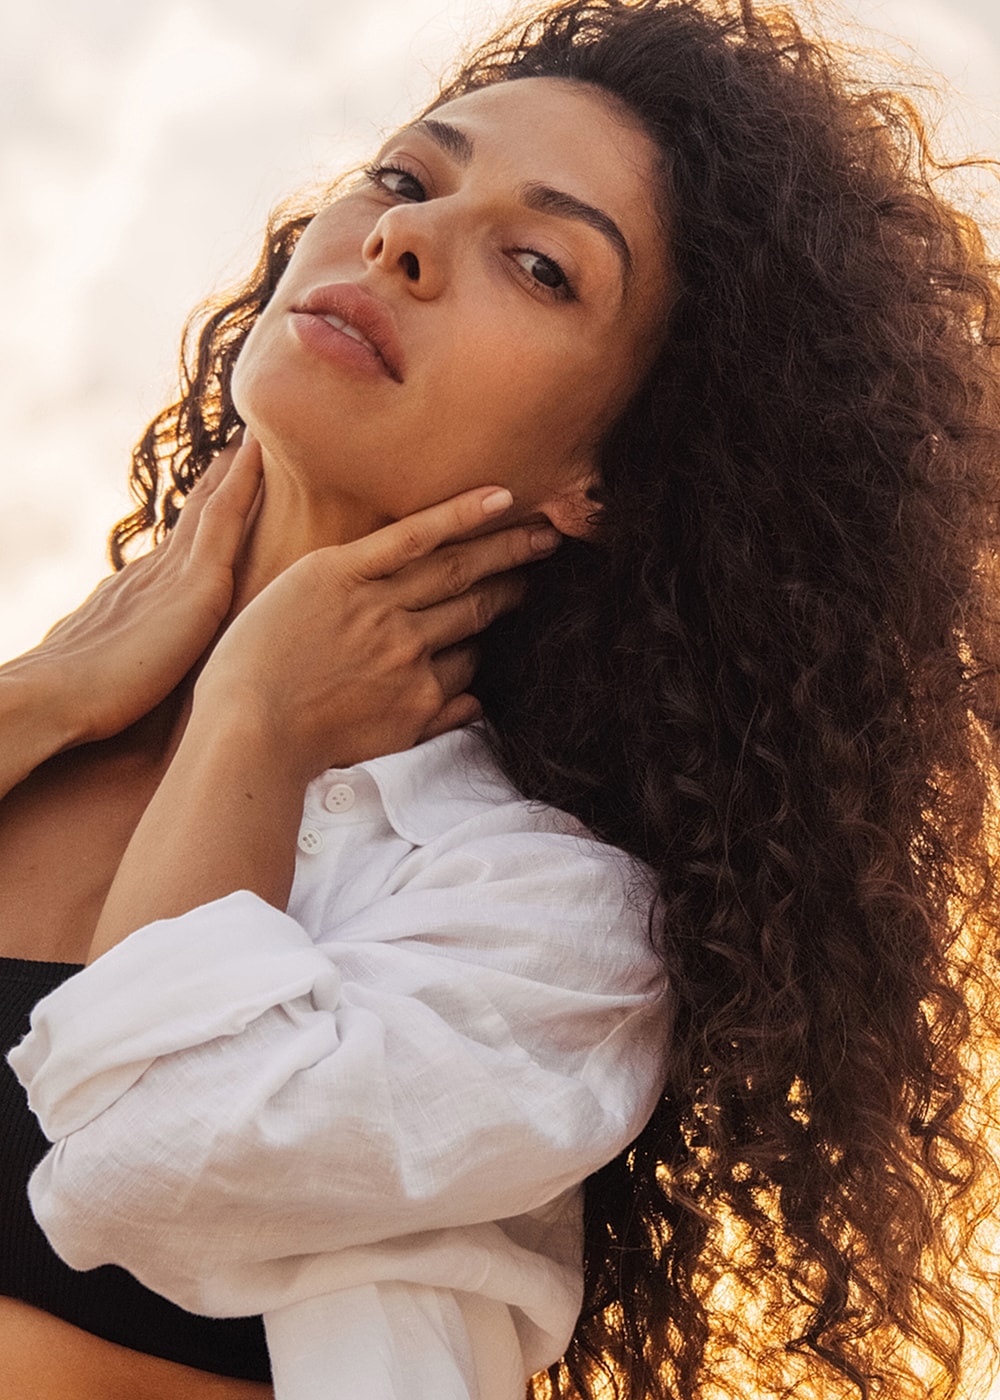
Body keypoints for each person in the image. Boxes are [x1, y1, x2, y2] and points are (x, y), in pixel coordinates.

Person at [3, 0, 1000, 1396]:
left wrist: (258, 718)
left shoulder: (544, 918)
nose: (403, 239)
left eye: (538, 266)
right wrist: (40, 701)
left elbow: (143, 1162)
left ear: (609, 476)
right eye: (406, 181)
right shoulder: (46, 723)